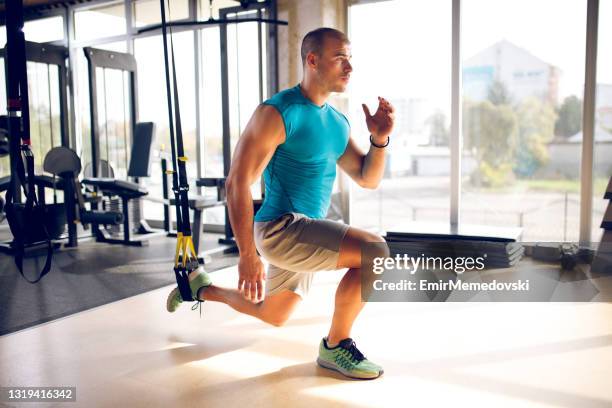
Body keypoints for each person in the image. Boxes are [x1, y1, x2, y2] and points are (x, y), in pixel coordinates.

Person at [166, 27, 394, 380]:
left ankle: (200, 287)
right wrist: (247, 256)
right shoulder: (278, 112)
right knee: (374, 251)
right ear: (312, 60)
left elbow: (368, 178)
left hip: (307, 229)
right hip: (281, 228)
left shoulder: (336, 122)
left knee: (274, 314)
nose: (349, 67)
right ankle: (336, 346)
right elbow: (237, 182)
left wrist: (379, 140)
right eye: (340, 58)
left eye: (350, 59)